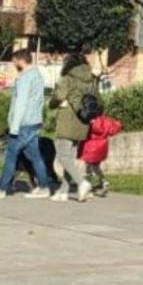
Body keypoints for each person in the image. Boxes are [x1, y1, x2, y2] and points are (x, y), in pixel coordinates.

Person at [0, 49, 55, 199]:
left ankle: (1, 188)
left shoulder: (25, 78)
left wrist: (14, 127)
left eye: (14, 60)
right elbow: (40, 101)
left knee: (11, 155)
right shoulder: (38, 76)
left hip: (23, 124)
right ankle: (43, 187)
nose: (13, 63)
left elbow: (20, 103)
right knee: (35, 156)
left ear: (20, 60)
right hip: (34, 122)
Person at [48, 55, 97, 202]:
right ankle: (64, 191)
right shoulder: (91, 79)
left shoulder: (68, 79)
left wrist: (52, 102)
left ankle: (82, 182)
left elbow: (59, 96)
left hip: (67, 120)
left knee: (63, 156)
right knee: (70, 157)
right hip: (83, 121)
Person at [78, 94, 122, 201]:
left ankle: (86, 186)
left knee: (87, 167)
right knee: (96, 167)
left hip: (91, 148)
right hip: (102, 148)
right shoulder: (106, 120)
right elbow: (115, 127)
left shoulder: (92, 122)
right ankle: (103, 181)